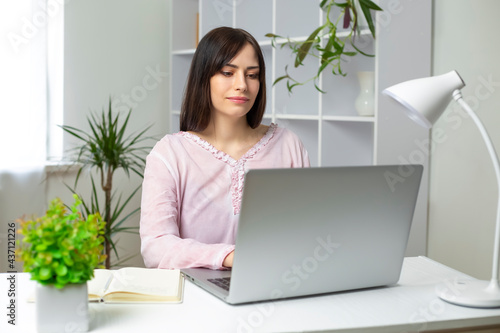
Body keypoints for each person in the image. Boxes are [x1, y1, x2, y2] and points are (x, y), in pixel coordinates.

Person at [140, 27, 310, 270]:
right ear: (203, 78)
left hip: (276, 284)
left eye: (252, 75)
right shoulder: (169, 153)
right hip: (195, 296)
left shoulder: (288, 145)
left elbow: (305, 230)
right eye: (228, 72)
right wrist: (231, 257)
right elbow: (156, 247)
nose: (242, 85)